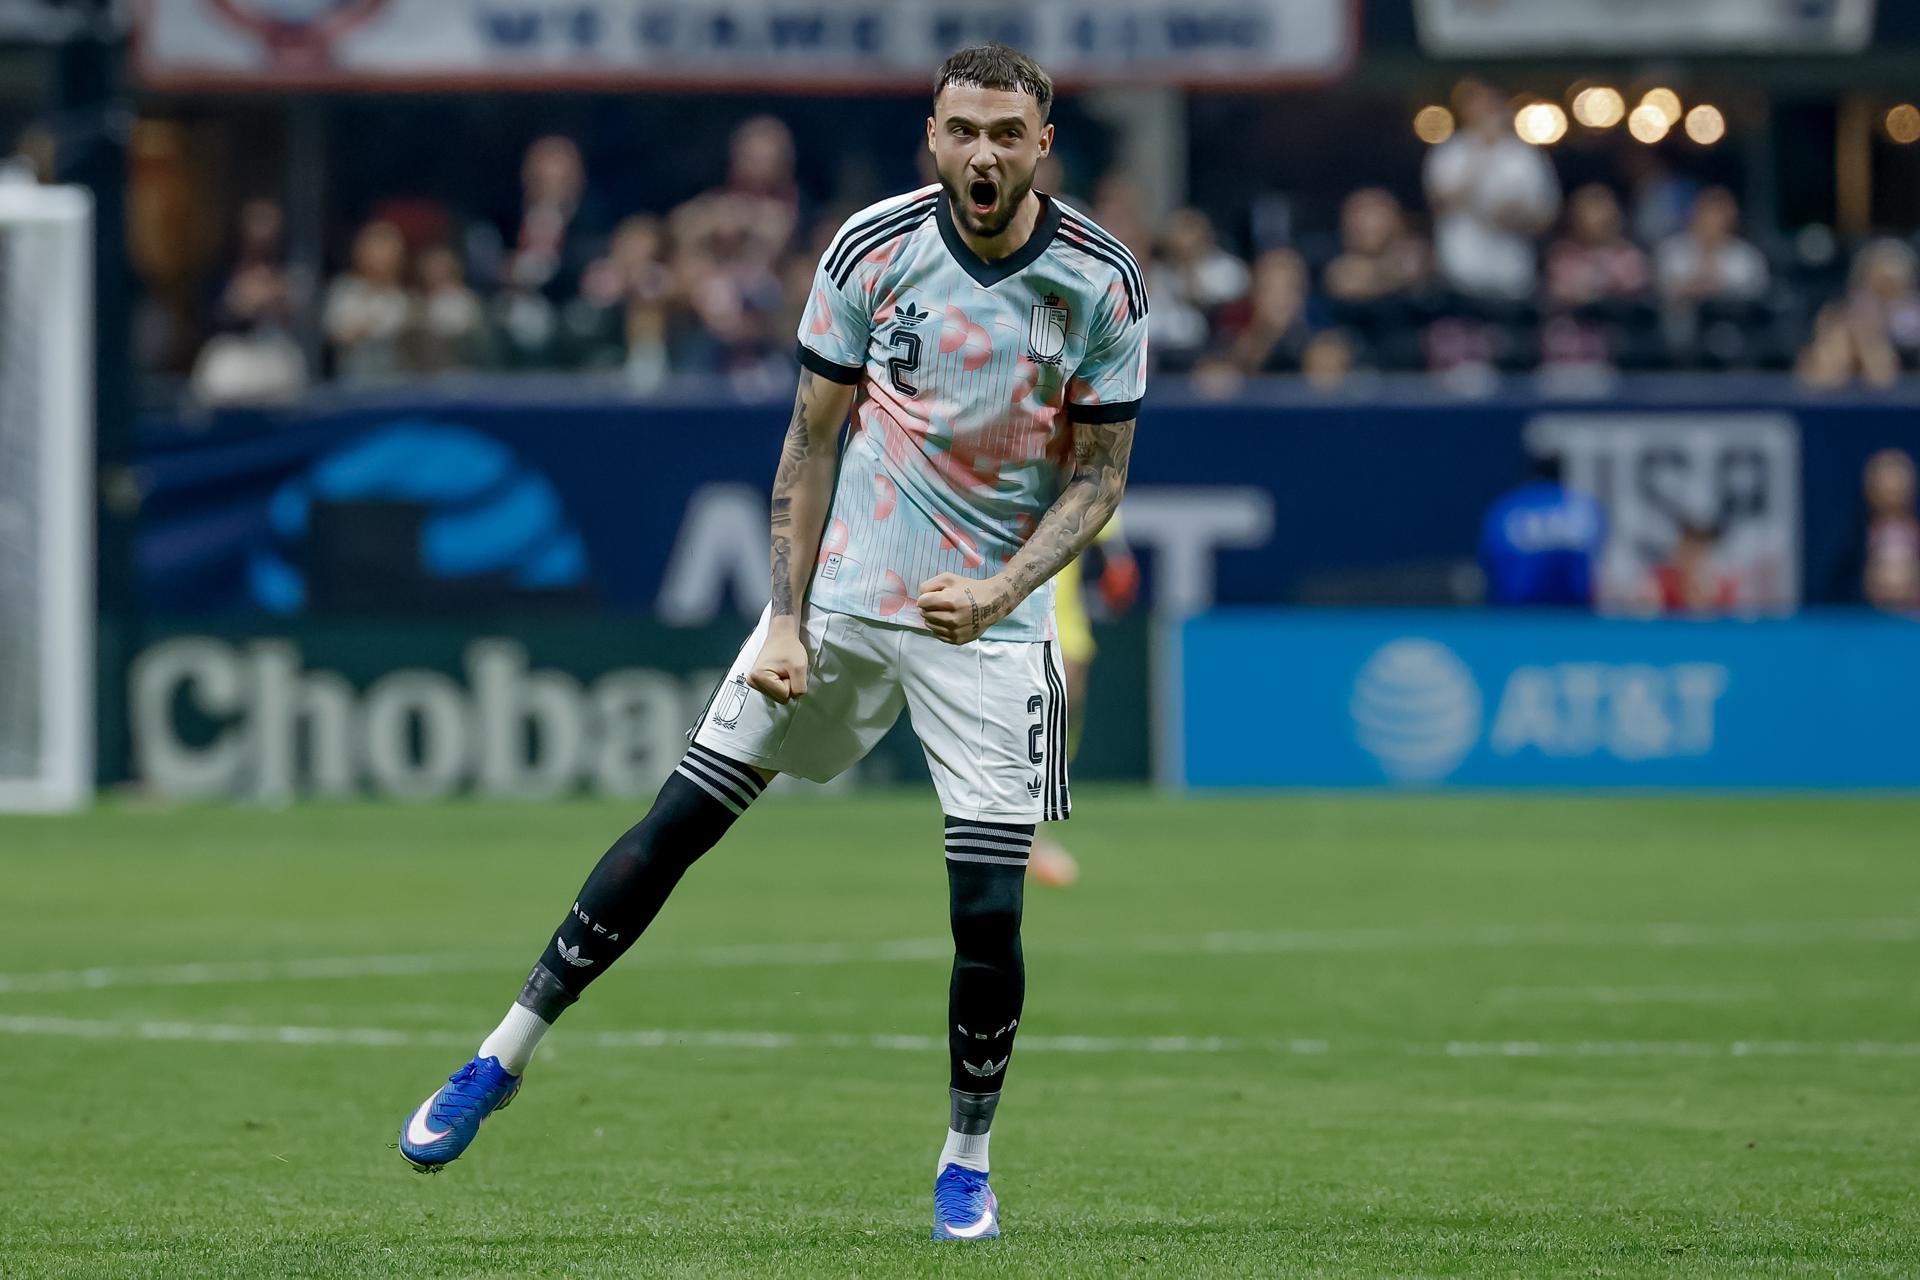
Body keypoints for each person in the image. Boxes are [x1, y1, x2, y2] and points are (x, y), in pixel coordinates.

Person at [396, 43, 1149, 1244]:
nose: (984, 153)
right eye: (963, 129)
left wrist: (1004, 586)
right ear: (933, 135)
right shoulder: (871, 250)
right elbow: (809, 442)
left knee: (988, 908)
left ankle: (966, 1160)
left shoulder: (1099, 281)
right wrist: (788, 617)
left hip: (991, 626)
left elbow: (1100, 478)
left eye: (1008, 133)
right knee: (676, 824)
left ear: (1042, 144)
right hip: (846, 595)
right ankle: (499, 1054)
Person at [1025, 520, 1138, 888]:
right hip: (1014, 614)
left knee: (1058, 727)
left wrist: (1117, 565)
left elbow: (1110, 536)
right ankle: (1029, 838)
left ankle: (1029, 830)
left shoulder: (1077, 483)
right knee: (1029, 726)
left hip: (1065, 619)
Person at [1423, 80, 1560, 302]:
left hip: (1512, 275)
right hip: (1459, 273)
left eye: (1490, 104)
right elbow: (1439, 203)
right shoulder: (1450, 152)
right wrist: (1481, 153)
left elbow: (1547, 215)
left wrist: (1518, 216)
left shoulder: (1524, 155)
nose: (1484, 111)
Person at [1478, 454, 1606, 607]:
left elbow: (1488, 559)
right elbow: (1595, 556)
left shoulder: (1508, 508)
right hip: (1571, 610)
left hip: (1518, 610)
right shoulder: (1584, 507)